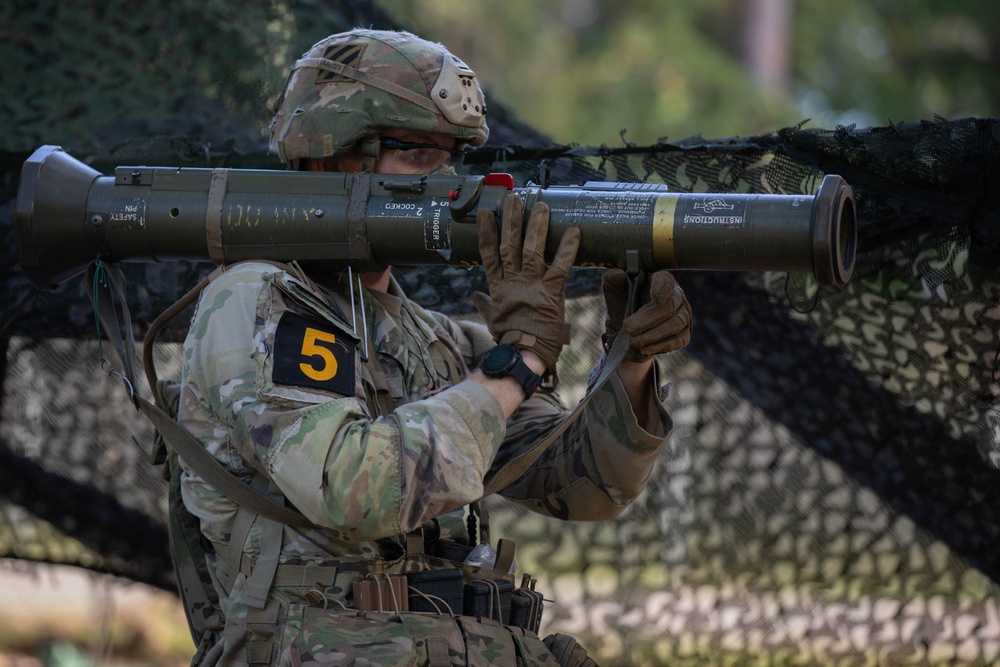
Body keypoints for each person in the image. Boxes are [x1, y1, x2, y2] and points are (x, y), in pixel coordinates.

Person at [174, 28, 692, 666]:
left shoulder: (438, 339)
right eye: (420, 155)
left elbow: (586, 488)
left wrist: (631, 357)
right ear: (334, 156)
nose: (447, 184)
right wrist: (519, 363)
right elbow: (357, 486)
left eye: (453, 159)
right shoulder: (256, 299)